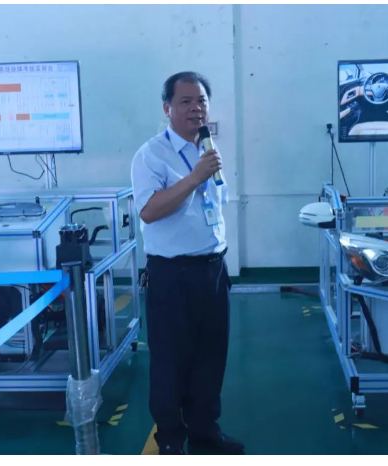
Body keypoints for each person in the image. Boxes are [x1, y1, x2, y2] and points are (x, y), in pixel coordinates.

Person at [130, 72, 243, 455]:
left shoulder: (207, 149)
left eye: (201, 101)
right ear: (167, 108)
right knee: (170, 363)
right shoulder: (151, 155)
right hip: (172, 275)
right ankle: (171, 441)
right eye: (186, 102)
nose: (196, 108)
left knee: (211, 358)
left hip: (212, 270)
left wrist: (201, 173)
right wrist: (195, 177)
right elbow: (149, 211)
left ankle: (205, 433)